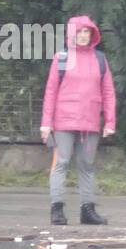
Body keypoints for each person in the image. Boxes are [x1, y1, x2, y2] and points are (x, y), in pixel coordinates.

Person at [39, 15, 116, 226]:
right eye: (79, 32)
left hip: (90, 123)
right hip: (63, 122)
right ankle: (57, 210)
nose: (83, 36)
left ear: (92, 35)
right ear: (71, 34)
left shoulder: (100, 59)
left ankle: (87, 211)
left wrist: (110, 122)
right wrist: (46, 123)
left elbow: (108, 92)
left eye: (87, 32)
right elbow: (51, 91)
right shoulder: (61, 58)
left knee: (87, 166)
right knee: (61, 164)